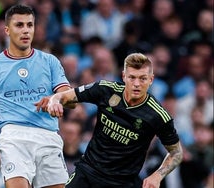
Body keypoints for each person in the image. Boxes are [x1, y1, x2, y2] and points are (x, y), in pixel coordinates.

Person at [36, 53, 183, 188]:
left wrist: (157, 175)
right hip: (87, 172)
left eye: (143, 78)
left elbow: (176, 153)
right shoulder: (105, 89)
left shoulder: (158, 115)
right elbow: (66, 96)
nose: (137, 84)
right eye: (132, 77)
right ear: (124, 76)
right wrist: (55, 100)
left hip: (120, 183)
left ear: (151, 80)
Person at [0, 4, 74, 188]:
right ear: (7, 30)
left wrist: (56, 99)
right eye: (19, 25)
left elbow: (69, 97)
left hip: (48, 135)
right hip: (14, 136)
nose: (26, 30)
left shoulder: (50, 61)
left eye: (29, 25)